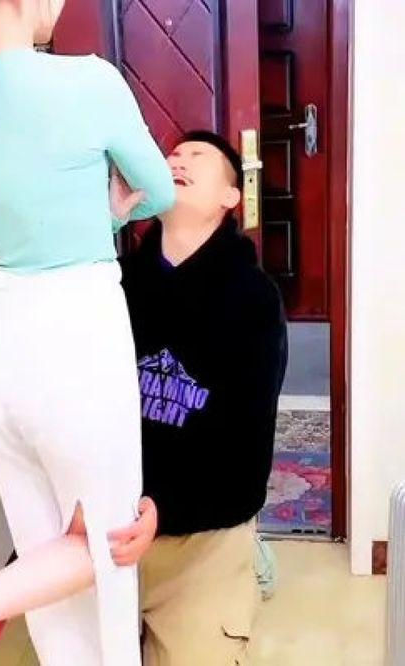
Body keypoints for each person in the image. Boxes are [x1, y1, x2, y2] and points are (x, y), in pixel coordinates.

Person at [0, 0, 175, 664]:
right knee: (111, 557)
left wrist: (92, 213)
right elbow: (160, 191)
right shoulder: (87, 80)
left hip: (2, 346)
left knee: (47, 568)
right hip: (77, 338)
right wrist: (110, 214)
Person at [120, 130, 288, 665]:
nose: (178, 159)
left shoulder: (253, 301)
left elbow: (246, 453)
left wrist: (166, 508)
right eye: (171, 155)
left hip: (202, 535)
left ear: (231, 197)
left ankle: (248, 561)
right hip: (111, 525)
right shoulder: (115, 284)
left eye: (197, 156)